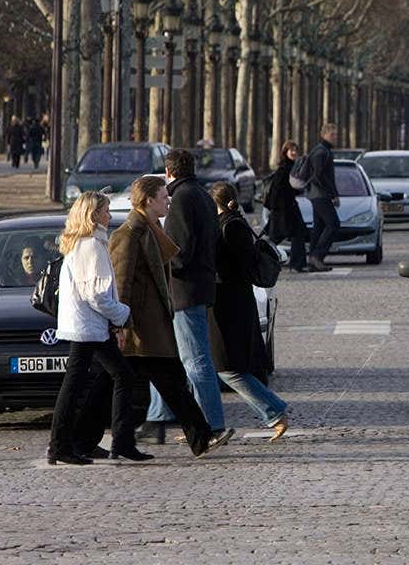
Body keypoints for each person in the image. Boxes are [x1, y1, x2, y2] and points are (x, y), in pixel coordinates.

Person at [94, 175, 226, 458]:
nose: (168, 201)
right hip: (140, 328)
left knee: (159, 383)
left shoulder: (151, 229)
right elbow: (122, 283)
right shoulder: (130, 233)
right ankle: (83, 439)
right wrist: (121, 325)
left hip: (151, 326)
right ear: (148, 201)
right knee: (119, 386)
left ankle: (103, 441)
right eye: (164, 197)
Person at [139, 149, 233, 447]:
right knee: (168, 357)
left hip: (183, 289)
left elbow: (180, 250)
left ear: (169, 172)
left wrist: (163, 270)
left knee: (195, 360)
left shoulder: (181, 199)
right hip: (200, 286)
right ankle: (157, 417)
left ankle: (212, 424)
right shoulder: (203, 195)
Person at [47, 192, 145, 465]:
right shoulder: (92, 246)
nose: (110, 216)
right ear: (93, 215)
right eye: (105, 211)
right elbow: (97, 295)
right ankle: (66, 445)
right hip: (87, 326)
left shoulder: (81, 243)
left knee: (106, 377)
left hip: (86, 325)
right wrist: (123, 314)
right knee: (107, 379)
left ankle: (84, 441)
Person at [208, 182, 290, 439]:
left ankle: (274, 411)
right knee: (212, 367)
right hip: (230, 302)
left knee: (227, 368)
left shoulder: (230, 226)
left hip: (231, 305)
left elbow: (237, 266)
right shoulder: (232, 223)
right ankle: (201, 425)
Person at [266, 140, 309, 273]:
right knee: (279, 236)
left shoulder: (290, 166)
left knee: (294, 233)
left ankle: (296, 264)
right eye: (291, 150)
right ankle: (264, 261)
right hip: (283, 208)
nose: (294, 153)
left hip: (286, 206)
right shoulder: (285, 168)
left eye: (296, 150)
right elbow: (279, 190)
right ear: (285, 152)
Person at [305, 123, 340, 272]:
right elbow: (319, 177)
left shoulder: (323, 150)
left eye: (335, 134)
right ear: (323, 135)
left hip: (317, 195)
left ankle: (313, 262)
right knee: (334, 224)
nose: (335, 137)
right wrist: (332, 194)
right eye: (332, 134)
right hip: (320, 195)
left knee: (318, 228)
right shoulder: (321, 152)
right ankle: (317, 256)